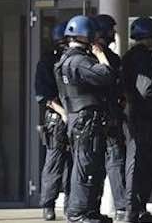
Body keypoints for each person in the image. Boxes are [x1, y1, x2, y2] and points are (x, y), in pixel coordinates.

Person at [55, 15, 116, 223]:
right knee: (86, 167)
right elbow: (107, 74)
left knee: (90, 166)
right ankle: (78, 212)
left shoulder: (65, 59)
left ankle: (89, 211)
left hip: (79, 119)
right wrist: (100, 55)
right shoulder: (79, 61)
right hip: (85, 120)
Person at [122, 17, 152, 223]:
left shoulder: (130, 56)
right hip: (144, 118)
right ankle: (134, 210)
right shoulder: (144, 57)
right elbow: (146, 89)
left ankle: (136, 209)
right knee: (142, 164)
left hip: (137, 117)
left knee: (142, 163)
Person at [92, 14, 128, 222]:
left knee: (109, 163)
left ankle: (117, 207)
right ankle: (118, 207)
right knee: (110, 162)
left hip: (109, 115)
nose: (114, 34)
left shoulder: (110, 57)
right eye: (111, 30)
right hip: (102, 116)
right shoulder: (96, 56)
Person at [36, 22, 71, 221]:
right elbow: (44, 95)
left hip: (73, 115)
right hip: (56, 118)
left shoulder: (73, 59)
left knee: (73, 164)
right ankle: (48, 205)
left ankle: (70, 205)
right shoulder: (48, 61)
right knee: (54, 162)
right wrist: (62, 112)